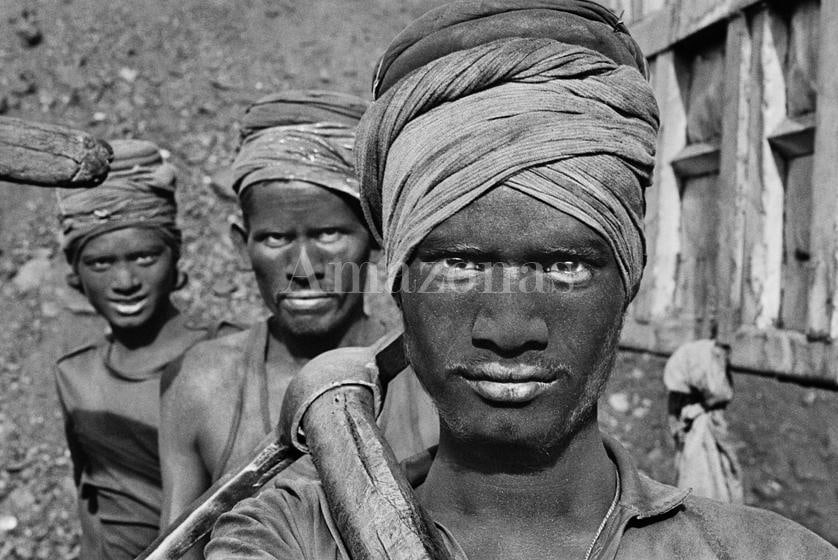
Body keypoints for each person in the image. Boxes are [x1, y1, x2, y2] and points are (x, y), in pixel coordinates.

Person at [205, 2, 838, 559]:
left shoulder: (771, 552)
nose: (508, 331)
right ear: (397, 282)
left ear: (629, 283)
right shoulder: (292, 537)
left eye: (565, 266)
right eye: (460, 265)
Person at [159, 90, 437, 557]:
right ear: (239, 243)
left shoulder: (431, 382)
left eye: (329, 234)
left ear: (374, 237)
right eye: (275, 237)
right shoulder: (201, 384)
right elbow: (178, 546)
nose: (303, 267)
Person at [54, 139, 234, 560]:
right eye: (100, 263)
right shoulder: (75, 375)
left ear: (175, 257)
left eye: (144, 256)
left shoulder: (228, 354)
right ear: (75, 274)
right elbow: (93, 503)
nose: (125, 281)